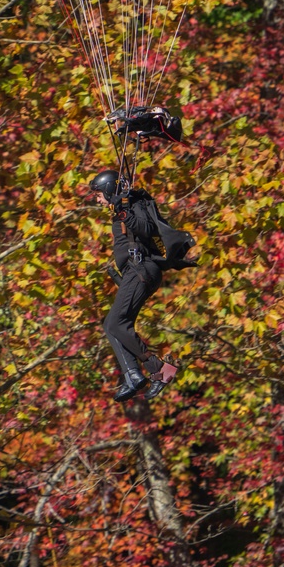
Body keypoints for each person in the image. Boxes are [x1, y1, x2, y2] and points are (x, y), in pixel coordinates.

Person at [89, 169, 195, 402]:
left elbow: (147, 229)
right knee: (111, 324)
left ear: (109, 189)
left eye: (98, 194)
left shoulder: (132, 204)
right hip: (135, 273)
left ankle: (158, 370)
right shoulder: (123, 206)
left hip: (140, 270)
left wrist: (124, 210)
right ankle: (133, 375)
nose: (97, 199)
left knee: (117, 323)